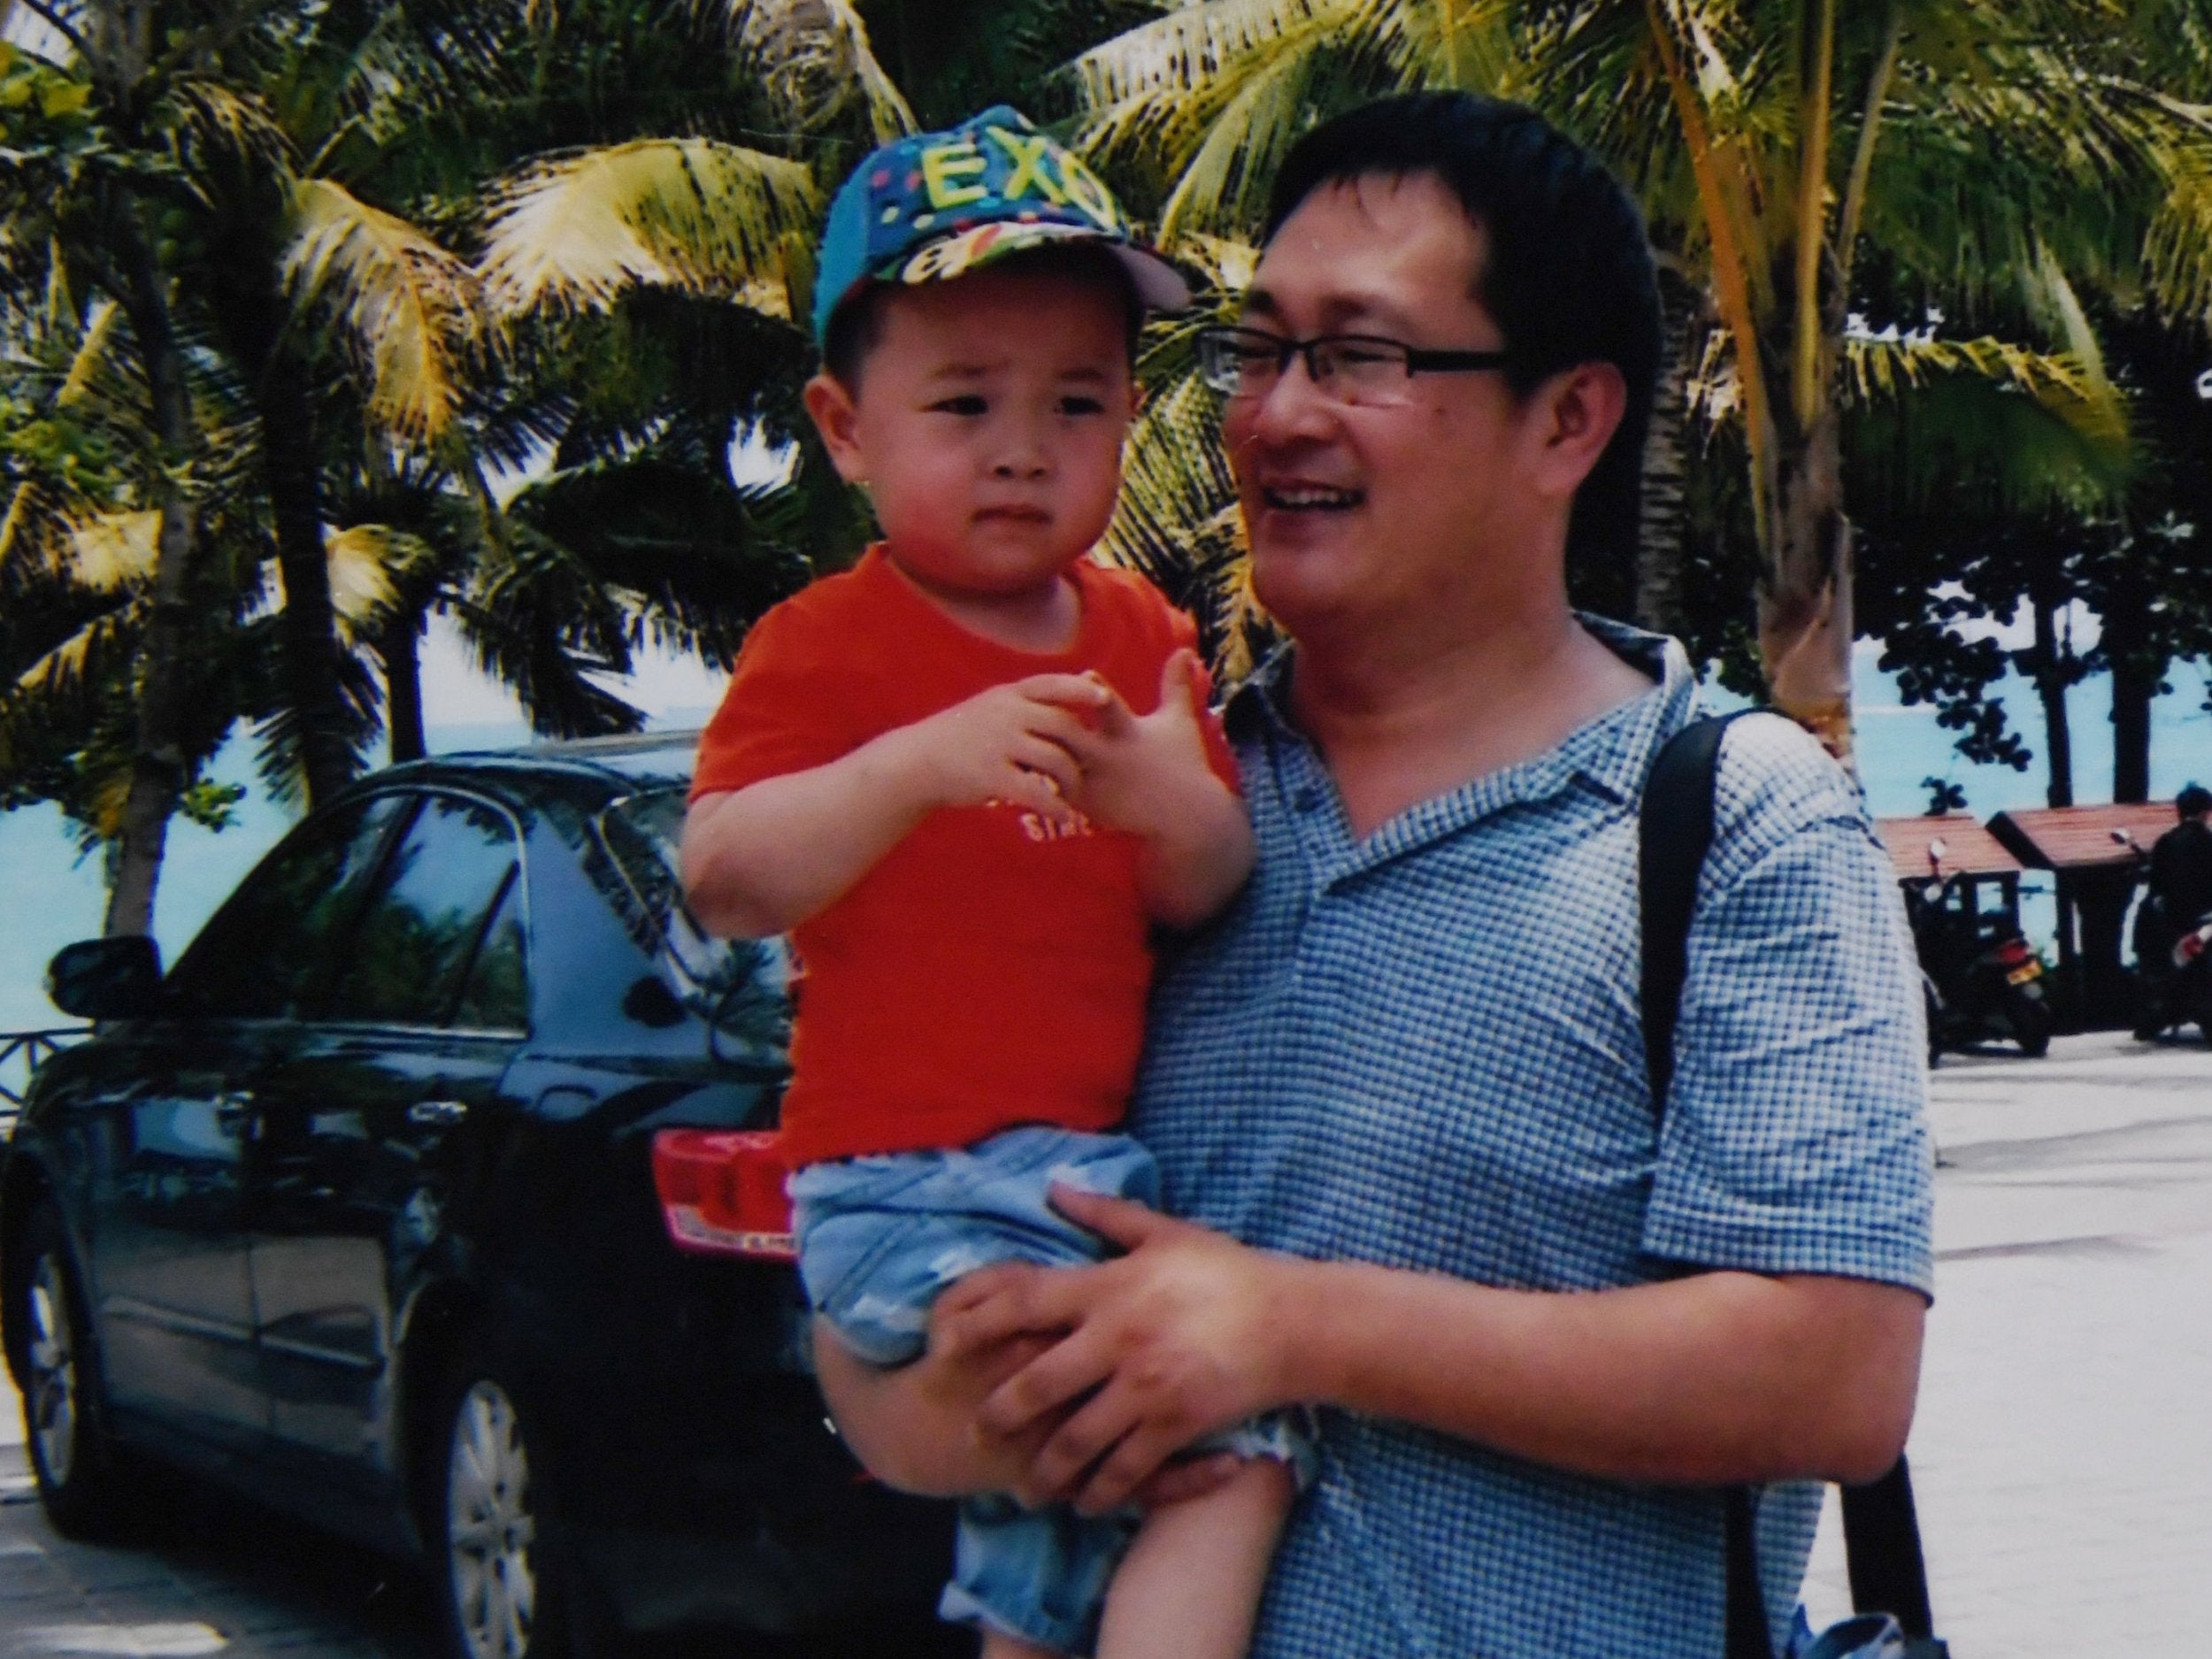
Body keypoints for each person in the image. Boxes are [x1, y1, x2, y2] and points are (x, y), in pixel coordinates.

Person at [885, 93, 1935, 1659]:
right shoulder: (1133, 803)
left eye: (1361, 357)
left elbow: (1831, 1372)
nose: (1276, 415)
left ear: (1568, 422)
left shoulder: (1730, 821)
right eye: (1259, 349)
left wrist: (1293, 1328)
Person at [680, 107, 1305, 1659]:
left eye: (1078, 403)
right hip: (908, 1185)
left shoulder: (1142, 632)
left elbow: (1202, 884)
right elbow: (727, 879)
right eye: (965, 402)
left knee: (1055, 1523)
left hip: (1079, 1176)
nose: (1026, 447)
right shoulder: (823, 646)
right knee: (1214, 1462)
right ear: (844, 426)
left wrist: (1167, 803)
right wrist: (907, 769)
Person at [2136, 782, 2212, 1036]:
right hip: (2204, 918)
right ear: (2205, 812)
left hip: (2177, 922)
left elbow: (2157, 885)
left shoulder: (2166, 843)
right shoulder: (2208, 841)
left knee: (2156, 951)